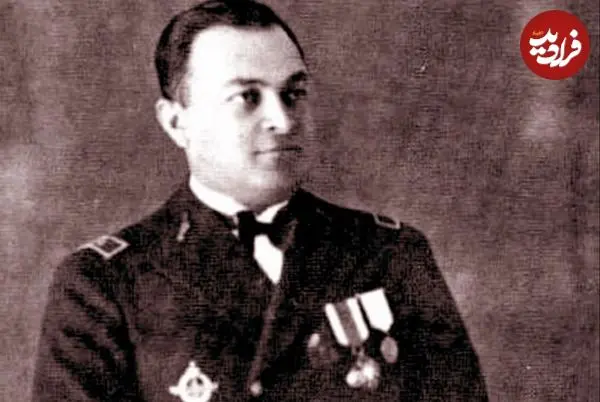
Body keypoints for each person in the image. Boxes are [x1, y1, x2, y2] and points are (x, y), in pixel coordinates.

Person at [31, 1, 489, 401]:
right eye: (247, 97)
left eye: (294, 94)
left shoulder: (391, 253)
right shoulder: (106, 284)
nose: (282, 120)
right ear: (176, 122)